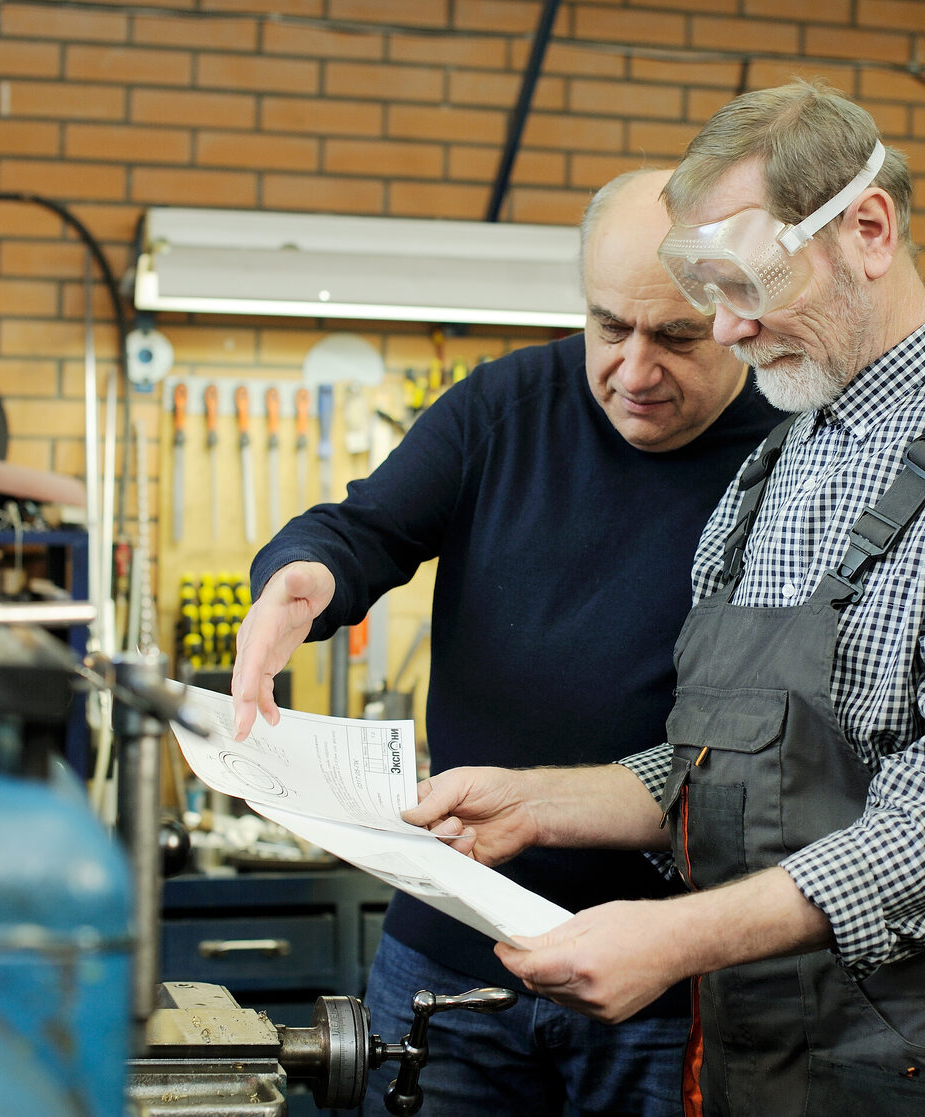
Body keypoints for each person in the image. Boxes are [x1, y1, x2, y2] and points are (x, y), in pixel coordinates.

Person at [404, 80, 925, 1117]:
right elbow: (721, 765)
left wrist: (674, 935)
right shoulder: (778, 465)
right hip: (755, 1040)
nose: (730, 330)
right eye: (709, 288)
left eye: (749, 281)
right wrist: (540, 803)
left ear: (868, 231)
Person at [230, 168, 782, 1116]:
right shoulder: (503, 407)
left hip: (666, 977)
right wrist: (304, 576)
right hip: (452, 958)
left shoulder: (793, 456)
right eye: (610, 327)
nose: (636, 369)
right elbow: (365, 529)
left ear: (737, 310)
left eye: (677, 336)